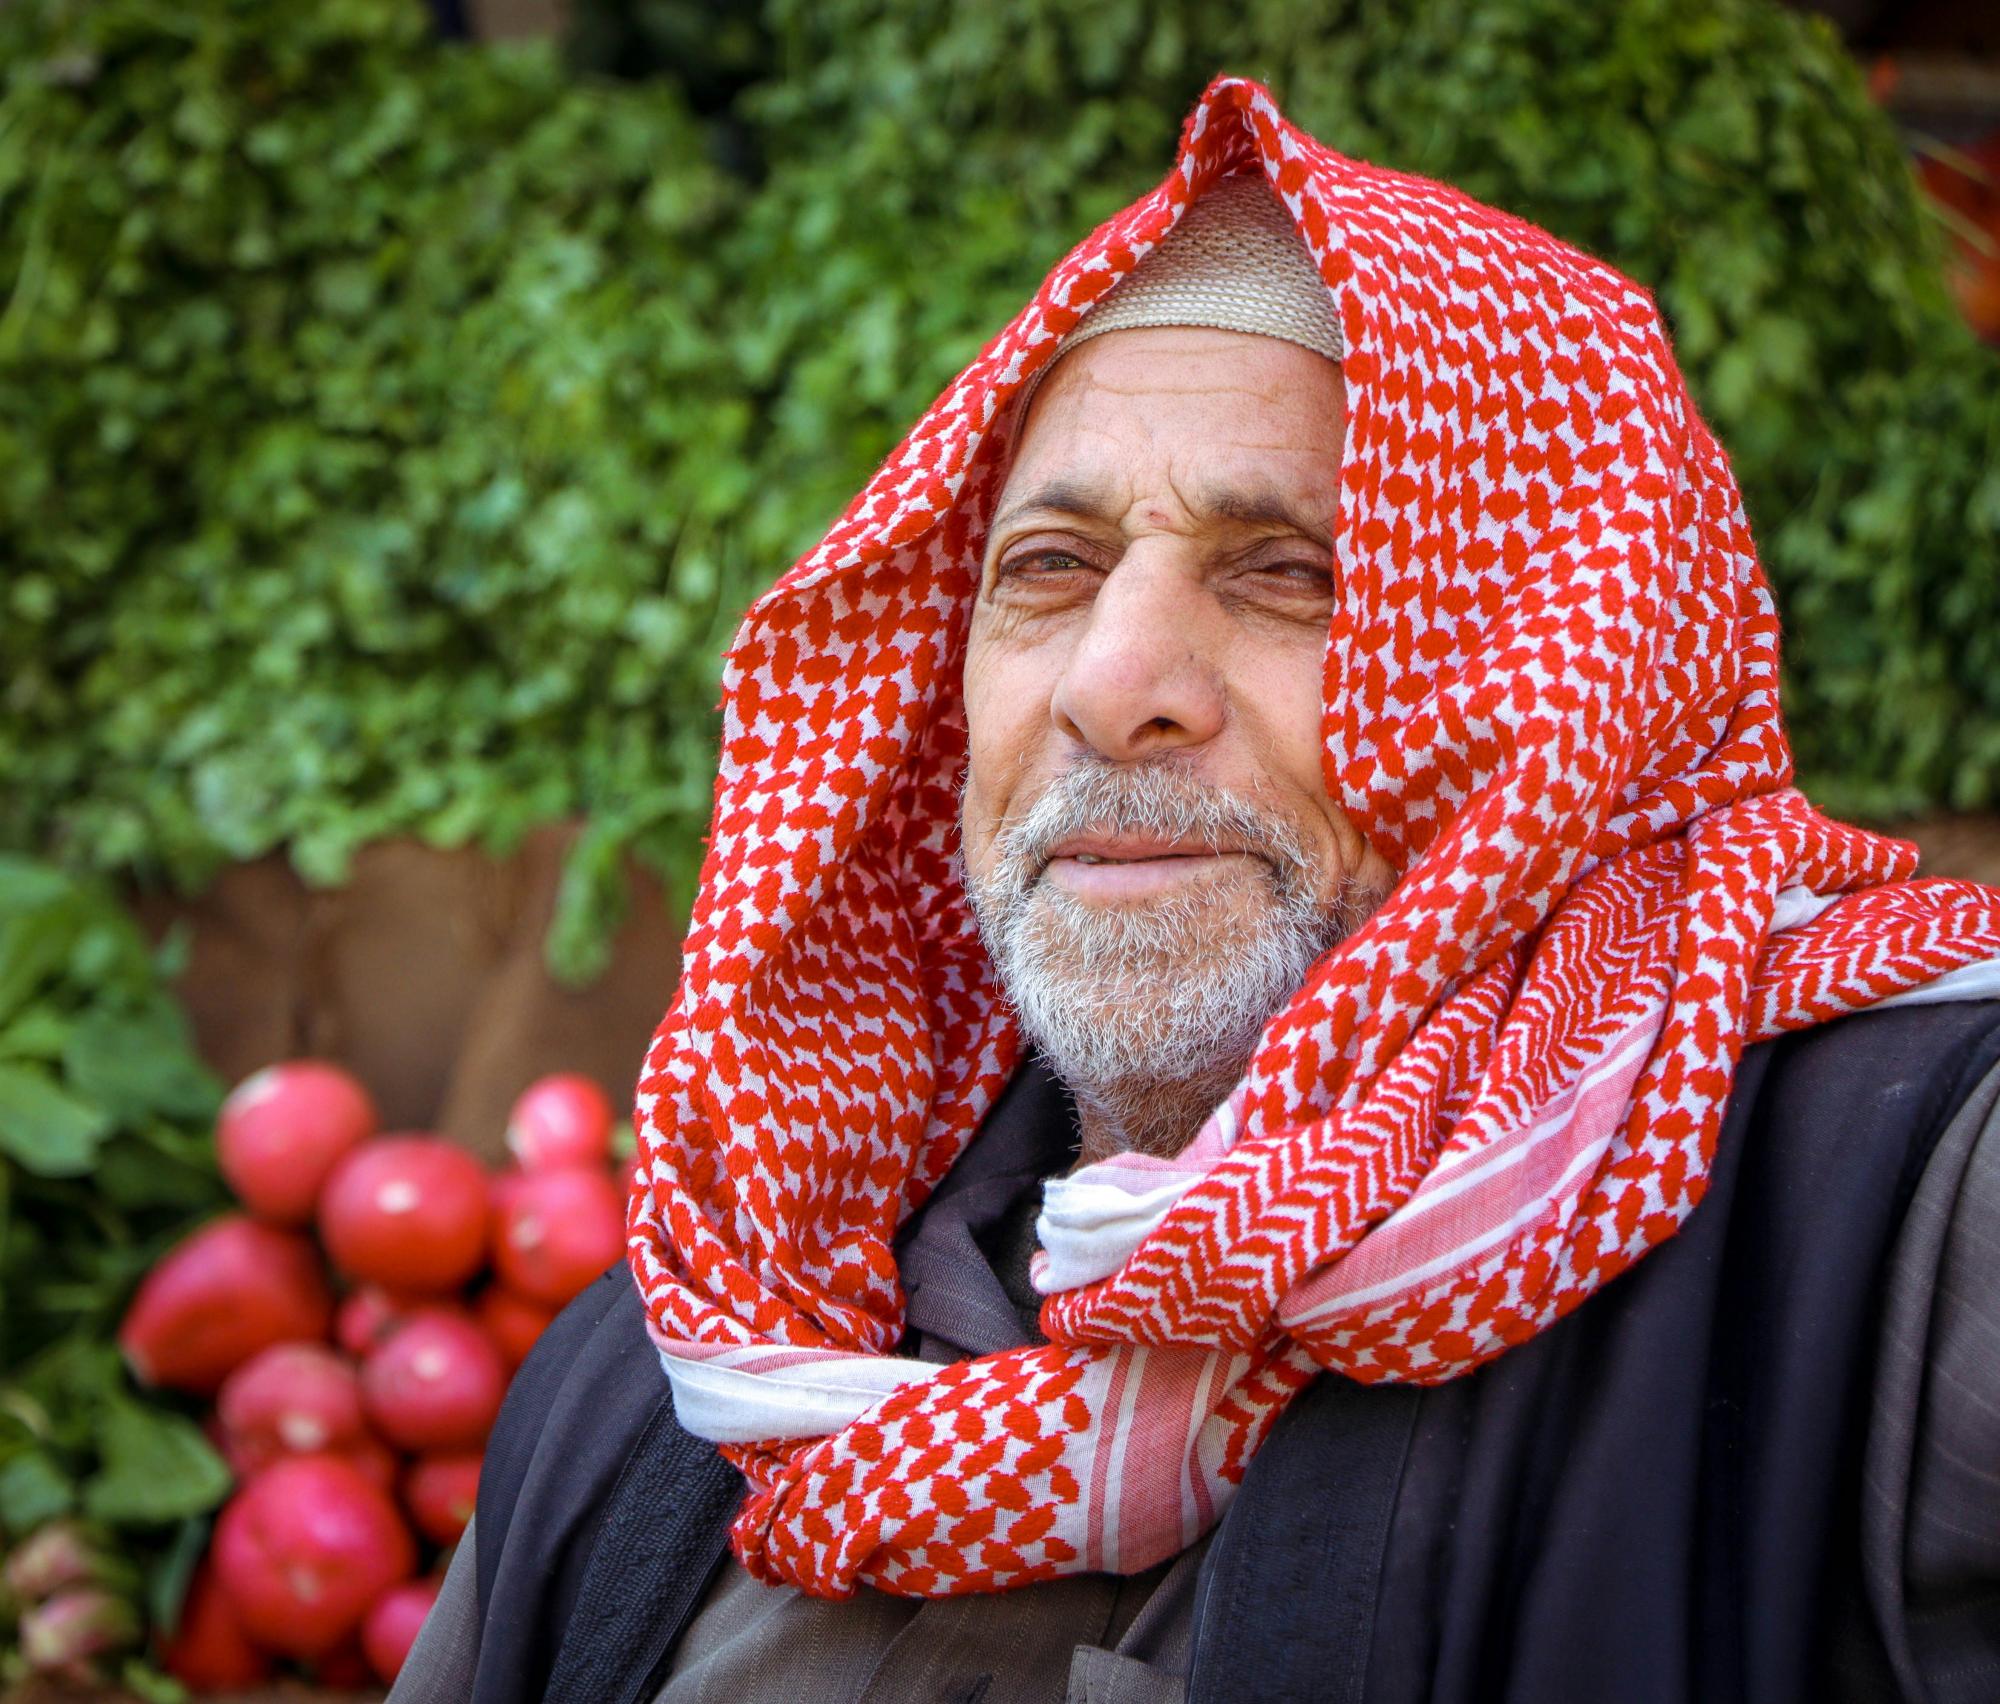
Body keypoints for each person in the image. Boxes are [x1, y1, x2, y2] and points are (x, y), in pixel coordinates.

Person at [391, 77, 2000, 1704]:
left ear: (1575, 701)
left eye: (1290, 573)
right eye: (1051, 570)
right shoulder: (685, 1362)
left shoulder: (1897, 1234)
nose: (1116, 683)